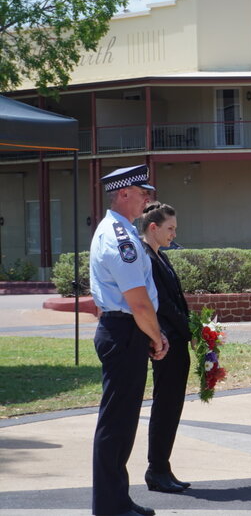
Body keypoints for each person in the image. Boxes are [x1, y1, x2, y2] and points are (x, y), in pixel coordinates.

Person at [90, 164, 167, 516]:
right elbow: (137, 301)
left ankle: (116, 499)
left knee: (122, 422)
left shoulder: (121, 232)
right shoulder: (119, 237)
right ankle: (110, 504)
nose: (147, 200)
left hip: (125, 331)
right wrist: (157, 336)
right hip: (125, 332)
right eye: (142, 193)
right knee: (117, 422)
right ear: (123, 194)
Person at [138, 202, 192, 494]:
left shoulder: (161, 257)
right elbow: (164, 307)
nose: (173, 234)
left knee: (171, 406)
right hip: (166, 344)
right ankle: (156, 469)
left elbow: (177, 300)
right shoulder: (146, 257)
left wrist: (196, 329)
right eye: (170, 228)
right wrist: (189, 330)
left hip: (177, 341)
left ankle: (162, 466)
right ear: (153, 228)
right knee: (165, 406)